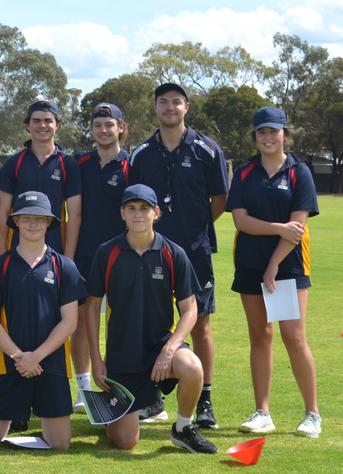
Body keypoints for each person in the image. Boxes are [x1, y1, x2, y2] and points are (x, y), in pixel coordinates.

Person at [85, 184, 217, 454]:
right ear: (122, 213)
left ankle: (183, 428)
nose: (137, 215)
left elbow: (190, 309)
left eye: (144, 209)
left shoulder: (173, 253)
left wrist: (170, 349)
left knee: (192, 367)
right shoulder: (106, 252)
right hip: (123, 356)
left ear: (156, 212)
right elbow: (91, 307)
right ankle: (113, 414)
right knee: (125, 441)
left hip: (161, 348)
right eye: (131, 209)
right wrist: (96, 360)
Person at [129, 83, 227, 428]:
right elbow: (133, 202)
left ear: (187, 106)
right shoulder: (140, 153)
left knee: (200, 326)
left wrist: (193, 230)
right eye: (163, 102)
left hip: (196, 254)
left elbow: (219, 200)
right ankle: (152, 399)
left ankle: (204, 401)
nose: (169, 107)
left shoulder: (208, 150)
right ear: (155, 107)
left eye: (176, 102)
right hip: (150, 252)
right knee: (149, 325)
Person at [226, 106, 320, 438]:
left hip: (288, 265)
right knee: (260, 336)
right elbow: (241, 221)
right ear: (255, 137)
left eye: (273, 131)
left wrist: (275, 263)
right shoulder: (244, 172)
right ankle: (262, 412)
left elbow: (297, 230)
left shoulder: (300, 172)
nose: (267, 137)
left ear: (285, 133)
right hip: (251, 264)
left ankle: (312, 414)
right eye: (261, 132)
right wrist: (278, 227)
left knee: (293, 338)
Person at [0, 191, 83, 450]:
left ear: (49, 223)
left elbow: (70, 322)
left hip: (52, 364)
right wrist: (18, 357)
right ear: (15, 222)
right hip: (9, 363)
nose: (32, 224)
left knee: (60, 445)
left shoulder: (64, 266)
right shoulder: (0, 265)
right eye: (26, 218)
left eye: (39, 218)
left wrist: (36, 356)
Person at [71, 103, 129, 411]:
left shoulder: (132, 165)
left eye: (109, 124)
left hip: (122, 256)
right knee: (80, 323)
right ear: (91, 130)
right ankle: (82, 389)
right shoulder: (79, 163)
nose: (103, 130)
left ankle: (119, 386)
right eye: (98, 125)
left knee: (119, 323)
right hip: (83, 256)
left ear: (121, 127)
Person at [0, 99, 81, 258]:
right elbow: (2, 212)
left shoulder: (68, 164)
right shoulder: (14, 163)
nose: (42, 125)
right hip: (17, 251)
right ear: (28, 125)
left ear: (57, 125)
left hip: (56, 251)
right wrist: (1, 256)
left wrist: (69, 259)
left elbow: (74, 214)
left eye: (48, 121)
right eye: (36, 121)